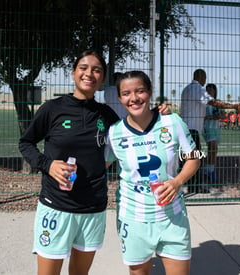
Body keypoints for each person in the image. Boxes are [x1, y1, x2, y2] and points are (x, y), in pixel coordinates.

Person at [19, 50, 171, 275]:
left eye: (96, 70)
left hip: (93, 208)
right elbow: (26, 143)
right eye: (83, 68)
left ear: (102, 78)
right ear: (73, 73)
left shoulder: (106, 115)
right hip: (56, 206)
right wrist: (48, 165)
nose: (89, 73)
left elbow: (134, 132)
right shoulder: (53, 109)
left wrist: (157, 114)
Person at [105, 71, 200, 275]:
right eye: (127, 93)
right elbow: (99, 166)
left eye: (140, 91)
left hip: (172, 218)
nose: (134, 98)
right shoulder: (114, 133)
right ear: (120, 98)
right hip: (133, 219)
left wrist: (178, 182)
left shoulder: (173, 122)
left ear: (149, 92)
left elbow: (194, 157)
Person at [180, 69, 240, 193]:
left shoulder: (187, 89)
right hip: (191, 129)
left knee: (189, 159)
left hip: (186, 128)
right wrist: (234, 106)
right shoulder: (197, 89)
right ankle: (195, 187)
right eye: (205, 79)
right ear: (202, 78)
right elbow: (213, 102)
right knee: (195, 160)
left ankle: (192, 185)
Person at [203, 83, 224, 184]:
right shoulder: (204, 102)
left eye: (211, 90)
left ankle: (209, 169)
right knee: (212, 146)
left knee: (214, 149)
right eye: (208, 90)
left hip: (216, 128)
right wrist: (211, 117)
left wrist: (218, 115)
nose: (210, 92)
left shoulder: (218, 102)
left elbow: (223, 115)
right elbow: (203, 116)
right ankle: (209, 170)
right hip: (207, 127)